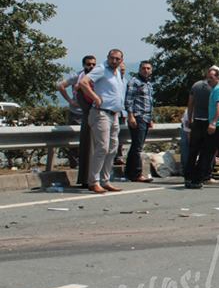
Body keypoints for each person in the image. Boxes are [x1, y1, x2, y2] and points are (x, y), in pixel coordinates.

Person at [77, 49, 125, 194]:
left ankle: (105, 180)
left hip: (114, 114)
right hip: (101, 113)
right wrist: (95, 97)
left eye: (117, 59)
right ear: (107, 58)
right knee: (102, 147)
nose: (114, 61)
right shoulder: (102, 69)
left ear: (121, 60)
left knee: (112, 148)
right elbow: (84, 83)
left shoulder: (117, 72)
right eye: (112, 58)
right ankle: (94, 181)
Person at [56, 54, 97, 185]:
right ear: (84, 65)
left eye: (93, 64)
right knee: (76, 142)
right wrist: (70, 101)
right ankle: (75, 164)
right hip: (77, 113)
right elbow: (61, 85)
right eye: (88, 64)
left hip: (92, 112)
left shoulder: (97, 76)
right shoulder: (77, 76)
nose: (91, 66)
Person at [183, 69, 216, 186]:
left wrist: (190, 118)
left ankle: (188, 176)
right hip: (207, 122)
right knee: (206, 151)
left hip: (196, 121)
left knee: (193, 150)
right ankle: (203, 175)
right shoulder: (214, 88)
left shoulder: (195, 85)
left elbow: (190, 103)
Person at [123, 61, 155, 182]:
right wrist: (131, 116)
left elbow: (149, 102)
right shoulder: (134, 82)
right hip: (138, 117)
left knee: (136, 146)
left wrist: (150, 118)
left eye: (148, 68)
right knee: (137, 147)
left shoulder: (148, 84)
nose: (146, 70)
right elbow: (129, 100)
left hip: (146, 118)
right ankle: (136, 174)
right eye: (143, 68)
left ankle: (129, 172)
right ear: (139, 69)